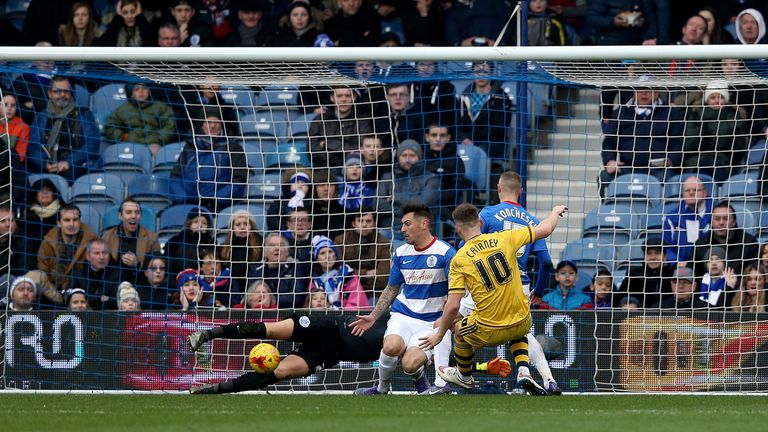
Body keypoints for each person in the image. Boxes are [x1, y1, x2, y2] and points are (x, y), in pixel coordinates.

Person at [419, 202, 568, 395]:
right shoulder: (505, 238)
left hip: (490, 330)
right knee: (517, 324)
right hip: (523, 322)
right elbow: (546, 229)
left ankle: (464, 376)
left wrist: (438, 335)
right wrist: (555, 211)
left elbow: (453, 305)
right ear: (480, 222)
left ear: (457, 228)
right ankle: (524, 371)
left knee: (458, 329)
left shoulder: (460, 259)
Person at [351, 203, 455, 396]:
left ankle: (419, 378)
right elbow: (392, 288)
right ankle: (382, 389)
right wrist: (373, 316)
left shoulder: (446, 253)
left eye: (407, 224)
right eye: (402, 225)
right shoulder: (400, 253)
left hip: (431, 321)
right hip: (404, 314)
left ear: (424, 224)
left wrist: (447, 318)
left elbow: (457, 291)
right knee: (391, 347)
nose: (402, 229)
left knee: (409, 364)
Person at [471, 170, 560, 393]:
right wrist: (538, 290)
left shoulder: (489, 213)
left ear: (498, 188)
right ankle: (549, 380)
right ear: (521, 191)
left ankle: (455, 376)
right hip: (521, 284)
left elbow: (472, 246)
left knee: (455, 322)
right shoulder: (532, 221)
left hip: (489, 283)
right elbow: (546, 263)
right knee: (523, 333)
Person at [598, 75, 685, 195]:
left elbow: (678, 144)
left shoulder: (671, 114)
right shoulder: (620, 113)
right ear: (634, 92)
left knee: (668, 178)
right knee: (605, 177)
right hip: (628, 167)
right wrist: (610, 161)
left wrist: (671, 160)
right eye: (640, 89)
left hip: (658, 169)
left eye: (648, 89)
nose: (644, 93)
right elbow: (609, 143)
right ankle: (609, 212)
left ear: (656, 92)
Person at [169, 111, 248, 212]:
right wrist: (183, 199)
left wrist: (216, 199)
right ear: (202, 125)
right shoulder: (190, 147)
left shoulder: (233, 147)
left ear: (222, 124)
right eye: (208, 122)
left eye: (216, 122)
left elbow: (239, 179)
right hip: (188, 206)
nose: (212, 126)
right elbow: (175, 177)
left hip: (220, 207)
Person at [27, 76, 102, 182]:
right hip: (46, 169)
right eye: (57, 91)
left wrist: (69, 162)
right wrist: (45, 163)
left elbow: (92, 145)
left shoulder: (84, 115)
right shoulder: (41, 116)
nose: (62, 94)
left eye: (66, 91)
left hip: (76, 168)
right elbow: (33, 147)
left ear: (71, 93)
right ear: (50, 93)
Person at [682, 80, 749, 182]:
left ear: (726, 100)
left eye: (721, 97)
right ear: (707, 100)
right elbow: (689, 146)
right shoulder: (696, 115)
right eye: (713, 98)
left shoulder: (733, 116)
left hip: (723, 162)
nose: (717, 101)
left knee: (709, 165)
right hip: (695, 162)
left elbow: (739, 149)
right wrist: (702, 132)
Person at [34, 203, 99, 306]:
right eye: (67, 220)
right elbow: (43, 270)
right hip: (53, 292)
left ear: (79, 221)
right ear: (59, 223)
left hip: (82, 293)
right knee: (35, 276)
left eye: (75, 220)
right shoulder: (48, 242)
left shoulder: (92, 241)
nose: (72, 224)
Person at [456, 62, 514, 162]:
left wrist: (472, 140)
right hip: (466, 141)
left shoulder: (501, 97)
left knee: (478, 153)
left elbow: (498, 130)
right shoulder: (464, 96)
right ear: (472, 74)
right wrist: (464, 139)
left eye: (485, 72)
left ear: (491, 74)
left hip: (493, 143)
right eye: (478, 71)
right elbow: (457, 124)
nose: (481, 75)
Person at [103, 82, 177, 155]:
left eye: (144, 88)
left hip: (153, 143)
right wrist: (123, 137)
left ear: (149, 91)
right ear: (131, 95)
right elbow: (110, 127)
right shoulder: (123, 110)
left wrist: (159, 139)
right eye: (136, 89)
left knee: (156, 151)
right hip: (131, 143)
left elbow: (169, 125)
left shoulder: (160, 107)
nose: (141, 91)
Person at [692, 202, 760, 279]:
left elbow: (752, 275)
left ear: (734, 222)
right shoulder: (700, 245)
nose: (721, 223)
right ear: (711, 222)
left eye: (726, 218)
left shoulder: (749, 243)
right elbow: (695, 276)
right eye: (717, 219)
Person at [101, 199, 160, 285]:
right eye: (129, 212)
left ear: (141, 216)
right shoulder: (107, 236)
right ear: (120, 216)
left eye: (137, 212)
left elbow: (157, 268)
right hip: (113, 285)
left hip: (141, 284)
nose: (133, 216)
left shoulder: (152, 238)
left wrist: (137, 264)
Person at [334, 207, 390, 295]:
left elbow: (383, 279)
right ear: (353, 223)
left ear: (375, 223)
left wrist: (354, 276)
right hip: (346, 291)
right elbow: (338, 272)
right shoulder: (341, 241)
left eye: (368, 221)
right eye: (360, 221)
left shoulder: (384, 243)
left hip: (373, 292)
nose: (364, 225)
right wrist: (366, 273)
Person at [248, 232, 309, 308]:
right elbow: (250, 297)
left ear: (287, 251)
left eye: (281, 245)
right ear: (265, 252)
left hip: (288, 314)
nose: (277, 248)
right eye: (272, 245)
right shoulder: (255, 270)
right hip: (259, 313)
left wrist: (268, 299)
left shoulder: (297, 269)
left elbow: (297, 299)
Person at [662, 176, 713, 267]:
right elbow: (666, 246)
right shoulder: (671, 218)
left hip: (710, 267)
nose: (691, 193)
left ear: (705, 193)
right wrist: (676, 262)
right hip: (679, 270)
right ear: (683, 194)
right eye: (687, 190)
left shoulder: (716, 216)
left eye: (695, 190)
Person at [309, 235, 369, 310]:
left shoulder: (348, 276)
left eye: (330, 252)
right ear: (317, 258)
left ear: (336, 256)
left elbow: (356, 303)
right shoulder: (314, 281)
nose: (327, 256)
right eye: (322, 253)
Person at [617, 236, 673, 307]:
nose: (653, 257)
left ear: (665, 257)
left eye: (657, 253)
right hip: (637, 316)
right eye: (649, 253)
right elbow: (620, 297)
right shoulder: (633, 275)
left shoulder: (672, 275)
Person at [218, 209, 263, 295]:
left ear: (251, 227)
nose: (242, 227)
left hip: (254, 290)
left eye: (246, 224)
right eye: (238, 224)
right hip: (230, 290)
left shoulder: (262, 245)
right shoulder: (223, 248)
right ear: (232, 228)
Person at [69, 238, 121, 310]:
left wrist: (90, 298)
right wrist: (101, 298)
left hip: (109, 317)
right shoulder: (78, 275)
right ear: (88, 256)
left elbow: (116, 302)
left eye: (105, 253)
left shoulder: (117, 275)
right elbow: (74, 300)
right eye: (97, 253)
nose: (101, 257)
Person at [164, 207, 216, 276]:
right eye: (196, 222)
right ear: (189, 224)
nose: (200, 225)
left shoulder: (212, 243)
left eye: (204, 223)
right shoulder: (175, 241)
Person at [0, 93, 30, 203]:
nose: (9, 108)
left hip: (11, 167)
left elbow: (21, 155)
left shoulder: (23, 127)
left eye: (13, 105)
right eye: (5, 104)